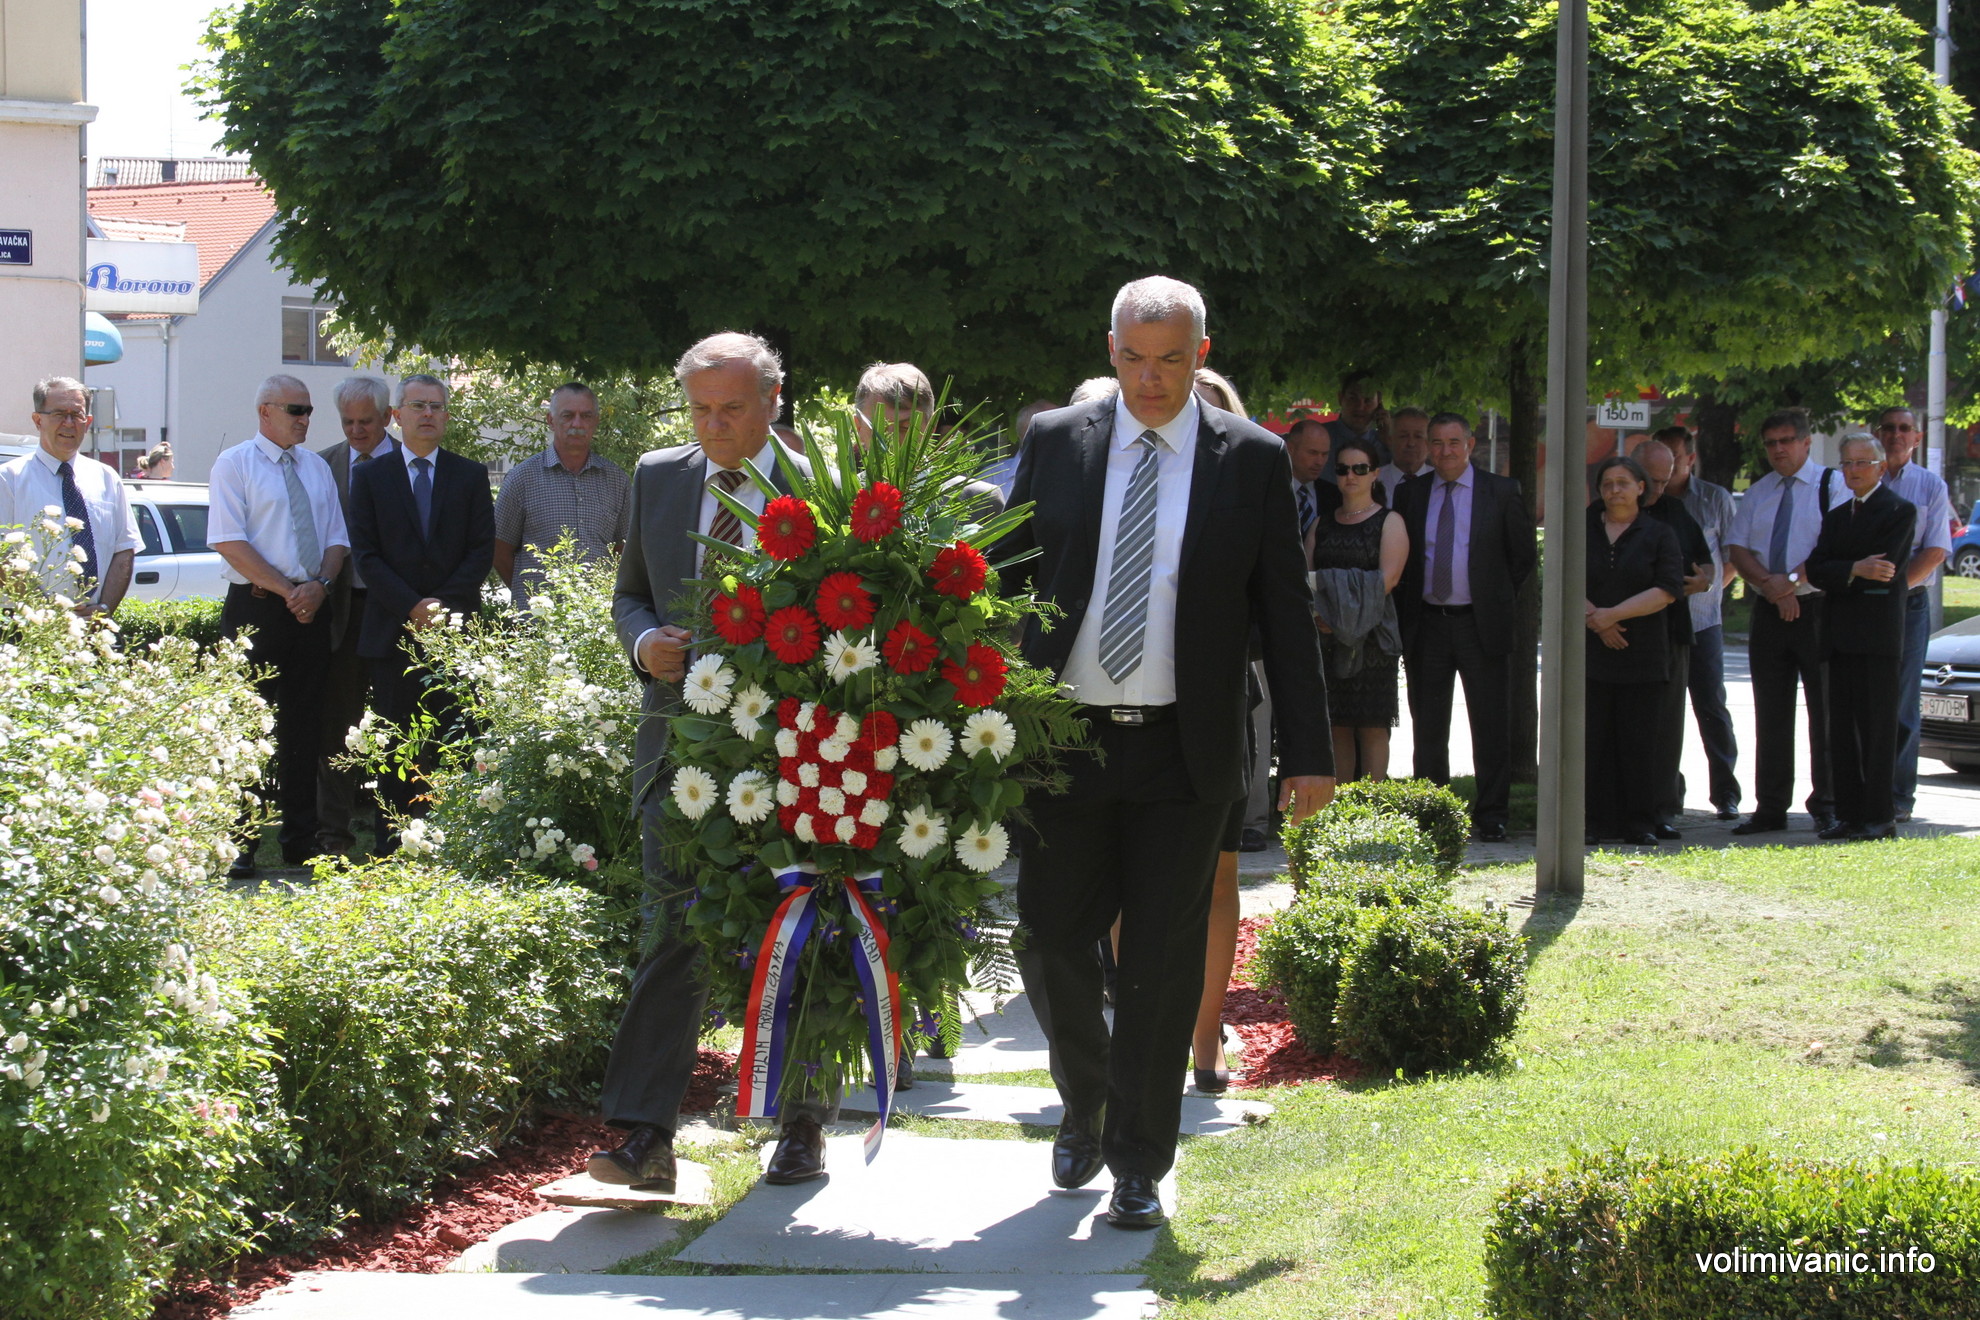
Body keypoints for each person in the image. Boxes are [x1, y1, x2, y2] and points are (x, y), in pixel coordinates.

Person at [993, 276, 1334, 1230]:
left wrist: (1308, 753)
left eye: (1171, 361)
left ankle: (1139, 1159)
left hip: (1186, 750)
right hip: (1065, 740)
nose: (1151, 379)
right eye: (1135, 359)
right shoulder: (1057, 440)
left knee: (1160, 956)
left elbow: (1285, 615)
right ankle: (1087, 1099)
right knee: (1049, 938)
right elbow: (1005, 578)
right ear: (1111, 351)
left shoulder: (1251, 458)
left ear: (1202, 355)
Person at [597, 332, 820, 1193]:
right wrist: (643, 641)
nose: (715, 427)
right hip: (678, 750)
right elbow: (631, 593)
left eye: (732, 409)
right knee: (674, 934)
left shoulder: (819, 488)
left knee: (794, 930)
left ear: (773, 400)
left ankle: (801, 1124)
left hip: (790, 750)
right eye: (700, 410)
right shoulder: (659, 475)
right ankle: (645, 1135)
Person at [207, 375, 350, 878]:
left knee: (304, 727)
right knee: (247, 726)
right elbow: (229, 541)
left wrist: (320, 587)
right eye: (296, 410)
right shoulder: (235, 464)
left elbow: (336, 540)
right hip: (259, 608)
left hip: (311, 608)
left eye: (309, 410)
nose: (305, 419)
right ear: (265, 410)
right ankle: (239, 842)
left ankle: (300, 842)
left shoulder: (316, 468)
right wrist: (290, 591)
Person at [347, 374, 495, 853]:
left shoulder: (470, 476)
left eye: (436, 406)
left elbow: (480, 551)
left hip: (456, 635)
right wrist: (412, 605)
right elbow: (366, 555)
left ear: (447, 416)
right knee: (395, 744)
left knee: (458, 742)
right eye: (417, 405)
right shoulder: (370, 477)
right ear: (397, 416)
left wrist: (440, 607)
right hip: (393, 632)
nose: (427, 414)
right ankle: (393, 846)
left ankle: (460, 843)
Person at [1393, 413, 1536, 842]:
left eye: (1453, 442)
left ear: (1471, 445)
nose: (1445, 451)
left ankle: (1492, 815)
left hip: (1481, 624)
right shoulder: (1411, 493)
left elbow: (1521, 558)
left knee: (1490, 726)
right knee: (1429, 728)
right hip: (1428, 625)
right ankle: (1434, 816)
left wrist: (1492, 597)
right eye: (1437, 443)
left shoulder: (1502, 491)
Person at [1726, 408, 1844, 835]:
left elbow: (1834, 545)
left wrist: (1791, 583)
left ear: (1806, 442)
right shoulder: (1758, 493)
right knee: (1771, 713)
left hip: (1818, 608)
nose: (1778, 450)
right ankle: (1771, 807)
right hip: (1769, 611)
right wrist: (1771, 587)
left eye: (1786, 441)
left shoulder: (1832, 486)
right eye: (1771, 443)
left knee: (1825, 711)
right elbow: (1738, 549)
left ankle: (1828, 804)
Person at [1808, 433, 1916, 841]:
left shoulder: (1898, 510)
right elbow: (1816, 569)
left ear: (1880, 467)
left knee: (1876, 729)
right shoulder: (1838, 516)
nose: (1853, 470)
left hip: (1876, 636)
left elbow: (1884, 572)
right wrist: (1853, 568)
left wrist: (1843, 571)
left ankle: (1879, 816)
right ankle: (1849, 815)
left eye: (1861, 463)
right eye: (1847, 463)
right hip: (1838, 634)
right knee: (1842, 730)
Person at [315, 376, 399, 858]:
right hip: (343, 610)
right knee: (338, 724)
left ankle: (396, 834)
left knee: (397, 721)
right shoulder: (323, 465)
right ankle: (333, 834)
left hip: (396, 609)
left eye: (365, 421)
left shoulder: (410, 462)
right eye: (347, 422)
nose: (356, 431)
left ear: (387, 417)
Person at [1583, 456, 1683, 845]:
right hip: (1591, 652)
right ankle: (1593, 822)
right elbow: (1564, 576)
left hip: (1643, 653)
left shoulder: (1659, 534)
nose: (1614, 490)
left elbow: (1667, 589)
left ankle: (1640, 822)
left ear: (1641, 488)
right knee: (1593, 741)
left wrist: (1612, 616)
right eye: (1607, 484)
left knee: (1639, 742)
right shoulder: (1583, 529)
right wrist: (1596, 620)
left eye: (1623, 483)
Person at [1873, 407, 1954, 823]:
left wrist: (1894, 590)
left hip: (1909, 604)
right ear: (1878, 434)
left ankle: (1899, 796)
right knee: (1858, 698)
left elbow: (1936, 551)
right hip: (1860, 603)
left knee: (1903, 703)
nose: (1896, 435)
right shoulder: (1859, 480)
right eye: (1889, 428)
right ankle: (1858, 791)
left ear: (1917, 438)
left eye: (1905, 429)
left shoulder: (1930, 486)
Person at [0, 376, 139, 617]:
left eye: (76, 415)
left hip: (93, 625)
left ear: (88, 422)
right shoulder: (9, 479)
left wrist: (103, 610)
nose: (68, 423)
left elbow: (124, 550)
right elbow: (3, 557)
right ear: (38, 420)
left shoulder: (107, 478)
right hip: (27, 624)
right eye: (59, 414)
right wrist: (49, 615)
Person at [1311, 440, 1408, 783]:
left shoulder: (1389, 521)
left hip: (1373, 640)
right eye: (1342, 469)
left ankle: (1372, 803)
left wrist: (1339, 615)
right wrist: (1322, 617)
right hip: (1327, 640)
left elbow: (1387, 580)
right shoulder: (1321, 524)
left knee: (1372, 726)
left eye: (1360, 469)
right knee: (1336, 725)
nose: (1350, 476)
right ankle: (1340, 805)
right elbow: (1306, 580)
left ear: (1375, 473)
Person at [1660, 425, 1742, 819]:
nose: (1668, 464)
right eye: (1662, 455)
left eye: (1675, 456)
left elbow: (1732, 557)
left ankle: (1725, 793)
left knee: (1711, 706)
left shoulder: (1715, 498)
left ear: (1690, 458)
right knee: (1663, 711)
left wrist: (1708, 590)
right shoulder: (1648, 498)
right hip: (1659, 622)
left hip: (1703, 621)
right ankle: (1668, 791)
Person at [1637, 440, 1714, 836]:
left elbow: (1706, 565)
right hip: (1622, 632)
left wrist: (1704, 581)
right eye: (1652, 480)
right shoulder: (1606, 511)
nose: (1659, 489)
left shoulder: (1675, 511)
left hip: (1671, 631)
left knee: (1667, 726)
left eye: (1665, 481)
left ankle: (1661, 810)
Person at [492, 381, 633, 599]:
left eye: (586, 416)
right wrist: (531, 598)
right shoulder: (522, 479)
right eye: (568, 416)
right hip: (539, 614)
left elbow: (625, 551)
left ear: (596, 421)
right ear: (550, 420)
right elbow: (499, 550)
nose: (577, 423)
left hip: (599, 613)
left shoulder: (617, 481)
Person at [850, 362, 1005, 518]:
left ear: (931, 428)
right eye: (878, 427)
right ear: (858, 427)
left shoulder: (980, 502)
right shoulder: (843, 497)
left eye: (905, 428)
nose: (890, 441)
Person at [1283, 418, 1343, 539]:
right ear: (1290, 449)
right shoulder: (1270, 490)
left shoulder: (1334, 495)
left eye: (1325, 454)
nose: (1319, 462)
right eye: (1312, 453)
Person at [1323, 371, 1391, 474]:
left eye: (1368, 400)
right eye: (1353, 398)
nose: (1360, 407)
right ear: (1340, 398)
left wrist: (1389, 441)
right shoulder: (1320, 437)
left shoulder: (1385, 444)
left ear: (1379, 403)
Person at [1376, 406, 1431, 505]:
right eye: (1403, 436)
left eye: (1418, 436)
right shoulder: (1372, 481)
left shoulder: (1441, 481)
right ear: (1390, 440)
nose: (1411, 443)